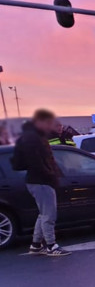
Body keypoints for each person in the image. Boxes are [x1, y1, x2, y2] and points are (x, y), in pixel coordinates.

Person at [11, 109, 70, 256]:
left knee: (43, 213)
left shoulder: (31, 136)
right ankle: (51, 246)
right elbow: (37, 161)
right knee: (49, 215)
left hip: (37, 180)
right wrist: (50, 174)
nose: (50, 126)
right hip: (41, 180)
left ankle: (36, 245)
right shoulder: (33, 138)